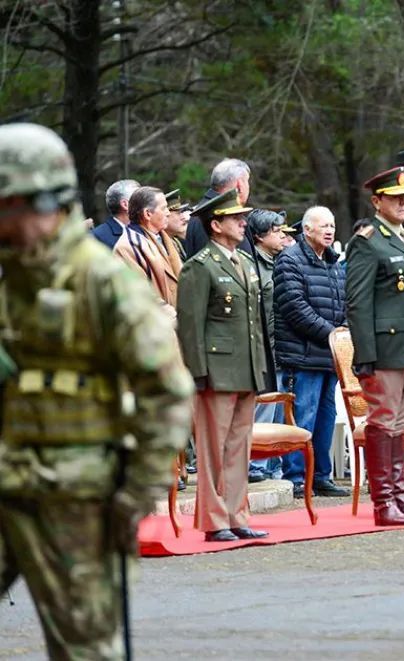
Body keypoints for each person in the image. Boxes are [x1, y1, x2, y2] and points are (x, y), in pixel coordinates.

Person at [0, 123, 193, 658]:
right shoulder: (10, 281)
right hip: (7, 483)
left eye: (9, 206)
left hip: (78, 500)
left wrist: (133, 495)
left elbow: (167, 392)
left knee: (85, 649)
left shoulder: (101, 281)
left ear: (46, 201)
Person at [345, 166, 404, 526]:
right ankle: (384, 502)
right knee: (383, 423)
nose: (403, 203)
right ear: (376, 202)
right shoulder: (368, 240)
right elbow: (358, 303)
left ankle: (401, 497)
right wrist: (366, 355)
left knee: (400, 424)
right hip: (384, 351)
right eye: (395, 198)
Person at [177, 188, 269, 542]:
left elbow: (253, 324)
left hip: (245, 367)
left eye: (243, 217)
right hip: (215, 370)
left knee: (238, 448)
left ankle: (236, 515)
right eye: (236, 218)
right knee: (213, 450)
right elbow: (191, 326)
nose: (244, 222)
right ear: (216, 224)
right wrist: (198, 373)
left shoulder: (243, 261)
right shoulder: (200, 266)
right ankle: (215, 521)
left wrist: (259, 368)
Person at [273, 206, 349, 498]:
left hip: (329, 355)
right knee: (302, 417)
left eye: (332, 226)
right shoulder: (289, 259)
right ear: (306, 230)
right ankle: (296, 477)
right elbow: (294, 307)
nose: (330, 231)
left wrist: (343, 331)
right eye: (323, 226)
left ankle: (320, 476)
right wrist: (331, 334)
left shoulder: (333, 262)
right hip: (303, 354)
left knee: (326, 418)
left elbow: (344, 303)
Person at [246, 209, 293, 482]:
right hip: (263, 346)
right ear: (259, 237)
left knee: (275, 406)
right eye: (276, 231)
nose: (282, 235)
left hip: (278, 347)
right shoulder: (252, 264)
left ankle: (271, 463)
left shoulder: (278, 262)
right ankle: (256, 463)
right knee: (263, 406)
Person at [112, 186, 184, 321]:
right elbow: (140, 295)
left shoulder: (166, 239)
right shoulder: (126, 248)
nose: (168, 213)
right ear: (147, 214)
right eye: (164, 208)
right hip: (161, 327)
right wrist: (176, 319)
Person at [185, 158, 251, 257]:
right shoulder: (209, 214)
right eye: (247, 181)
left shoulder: (205, 211)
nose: (243, 223)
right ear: (239, 185)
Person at [92, 178, 139, 249]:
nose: (147, 203)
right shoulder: (97, 238)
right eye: (140, 198)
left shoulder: (147, 230)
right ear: (125, 204)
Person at [165, 188, 191, 262]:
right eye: (178, 213)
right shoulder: (162, 245)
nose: (183, 217)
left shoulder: (176, 241)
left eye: (182, 212)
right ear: (165, 216)